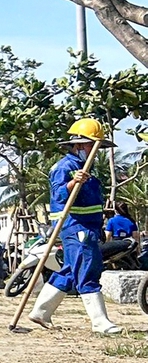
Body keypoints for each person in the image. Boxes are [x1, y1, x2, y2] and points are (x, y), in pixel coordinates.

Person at [29, 118, 122, 335]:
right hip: (74, 226)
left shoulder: (84, 166)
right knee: (88, 270)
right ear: (79, 145)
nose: (95, 151)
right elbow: (59, 194)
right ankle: (100, 322)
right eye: (92, 146)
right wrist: (73, 183)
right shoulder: (65, 167)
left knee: (70, 271)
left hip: (88, 225)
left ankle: (41, 312)